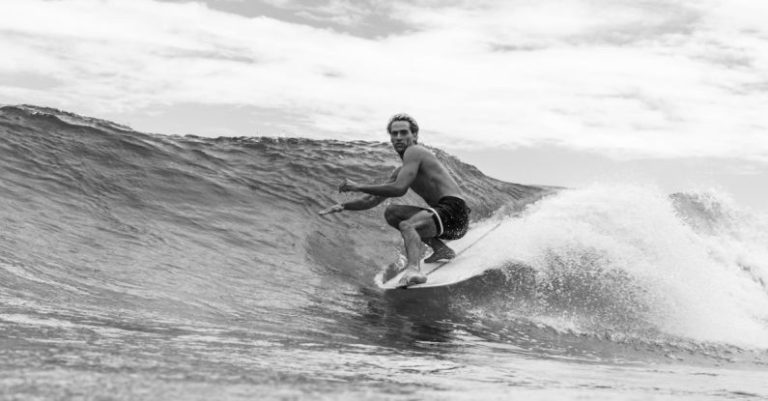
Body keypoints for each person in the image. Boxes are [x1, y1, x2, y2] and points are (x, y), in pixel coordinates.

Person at [319, 113, 471, 287]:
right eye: (394, 133)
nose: (398, 137)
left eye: (403, 133)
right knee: (392, 212)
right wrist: (343, 206)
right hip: (445, 221)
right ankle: (441, 249)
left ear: (414, 135)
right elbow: (371, 201)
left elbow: (399, 189)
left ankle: (414, 270)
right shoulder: (401, 171)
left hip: (455, 212)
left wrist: (357, 186)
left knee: (408, 225)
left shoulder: (415, 151)